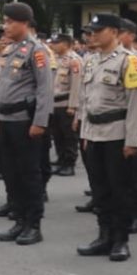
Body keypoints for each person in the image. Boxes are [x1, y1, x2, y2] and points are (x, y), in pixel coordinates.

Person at [73, 13, 137, 262]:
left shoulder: (130, 61)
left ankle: (120, 240)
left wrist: (133, 140)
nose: (92, 35)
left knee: (120, 190)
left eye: (98, 30)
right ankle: (104, 235)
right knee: (100, 189)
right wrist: (84, 132)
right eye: (91, 31)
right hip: (94, 134)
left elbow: (136, 103)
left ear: (115, 32)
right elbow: (86, 99)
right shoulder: (91, 61)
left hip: (117, 134)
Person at [0, 2, 54, 245]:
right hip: (5, 119)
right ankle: (19, 220)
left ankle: (33, 224)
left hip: (24, 121)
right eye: (4, 21)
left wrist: (40, 122)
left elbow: (44, 89)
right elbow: (2, 87)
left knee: (29, 174)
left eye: (10, 22)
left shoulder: (36, 50)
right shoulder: (9, 50)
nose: (5, 26)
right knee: (11, 173)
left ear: (24, 23)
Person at [47, 34, 82, 176]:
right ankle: (61, 160)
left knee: (68, 136)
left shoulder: (74, 60)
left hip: (66, 103)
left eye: (57, 43)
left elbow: (76, 85)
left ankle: (69, 163)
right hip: (54, 103)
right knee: (57, 135)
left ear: (66, 44)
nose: (53, 45)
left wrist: (73, 106)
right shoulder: (55, 60)